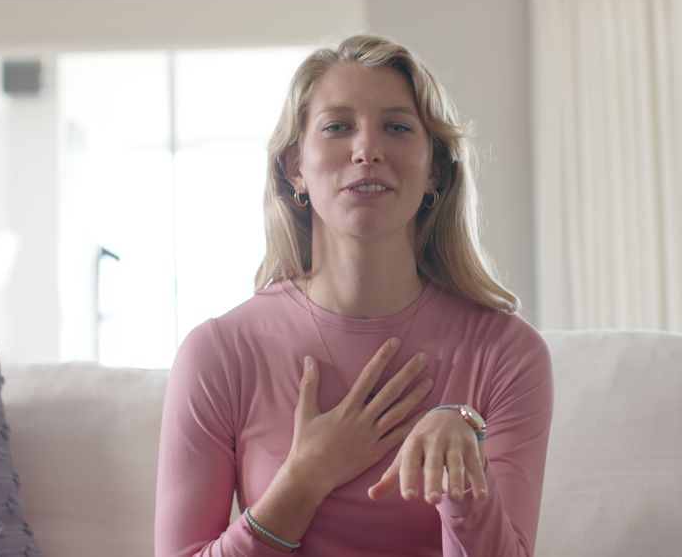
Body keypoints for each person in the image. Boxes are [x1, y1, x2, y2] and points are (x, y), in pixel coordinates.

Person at [154, 34, 553, 556]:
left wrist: (461, 479)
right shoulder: (221, 352)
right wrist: (305, 478)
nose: (367, 150)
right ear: (295, 167)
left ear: (434, 170)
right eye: (338, 127)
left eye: (397, 127)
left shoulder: (507, 355)